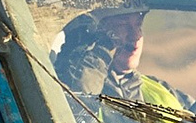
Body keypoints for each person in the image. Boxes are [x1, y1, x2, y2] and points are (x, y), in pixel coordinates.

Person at [54, 6, 182, 112]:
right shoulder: (75, 84)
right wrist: (99, 54)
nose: (136, 36)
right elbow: (79, 114)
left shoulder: (162, 90)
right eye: (123, 25)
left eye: (138, 24)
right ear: (97, 35)